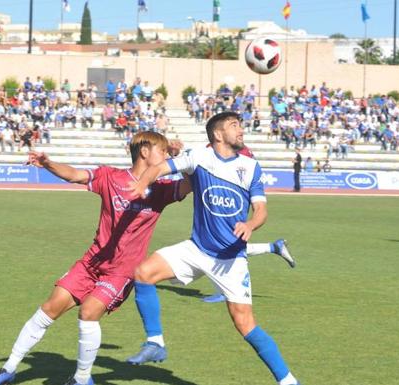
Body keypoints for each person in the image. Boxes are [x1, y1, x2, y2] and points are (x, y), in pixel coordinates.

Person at [0, 132, 189, 385]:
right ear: (145, 151)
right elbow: (74, 175)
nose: (166, 156)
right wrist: (48, 164)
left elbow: (191, 183)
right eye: (163, 151)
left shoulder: (162, 189)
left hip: (121, 272)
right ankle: (9, 369)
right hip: (91, 263)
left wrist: (182, 159)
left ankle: (81, 379)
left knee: (89, 312)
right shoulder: (111, 177)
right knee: (50, 307)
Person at [127, 112, 301, 385]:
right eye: (235, 125)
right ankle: (155, 342)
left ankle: (288, 381)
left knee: (245, 324)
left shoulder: (250, 166)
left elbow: (261, 210)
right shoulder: (199, 157)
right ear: (218, 135)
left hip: (231, 261)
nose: (241, 130)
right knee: (143, 273)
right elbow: (159, 168)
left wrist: (250, 225)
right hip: (197, 249)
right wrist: (142, 183)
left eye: (240, 125)